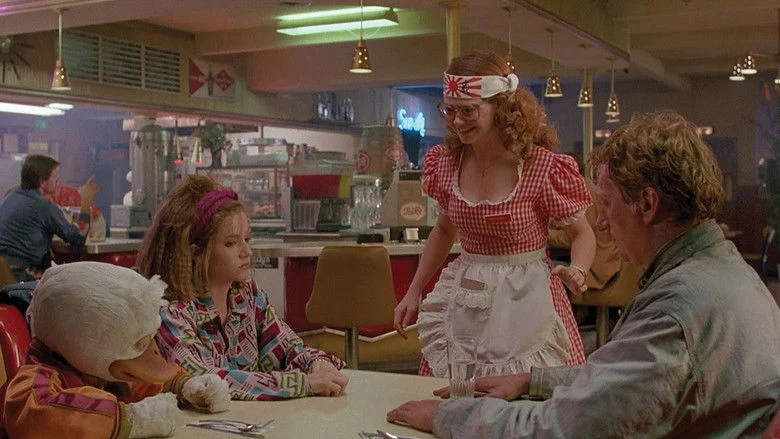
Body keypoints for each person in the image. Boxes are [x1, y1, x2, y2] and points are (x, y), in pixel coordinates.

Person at [387, 111, 780, 437]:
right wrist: (534, 381)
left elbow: (566, 429)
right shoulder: (728, 271)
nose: (602, 223)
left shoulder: (675, 312)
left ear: (647, 205)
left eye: (606, 205)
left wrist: (449, 417)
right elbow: (634, 380)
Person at [393, 51, 595, 377]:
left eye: (469, 110)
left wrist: (579, 269)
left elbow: (582, 232)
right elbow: (444, 232)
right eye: (450, 110)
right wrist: (414, 289)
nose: (457, 121)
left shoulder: (540, 166)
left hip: (527, 295)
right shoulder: (447, 164)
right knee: (459, 387)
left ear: (500, 107)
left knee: (531, 392)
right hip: (468, 296)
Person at [137, 175, 349, 400]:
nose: (246, 252)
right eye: (230, 243)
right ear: (195, 252)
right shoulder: (170, 313)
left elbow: (288, 347)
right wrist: (302, 383)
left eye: (246, 239)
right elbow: (204, 381)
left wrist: (317, 363)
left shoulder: (248, 296)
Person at [3, 261, 231, 439]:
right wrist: (132, 420)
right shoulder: (34, 383)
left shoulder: (93, 370)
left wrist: (186, 387)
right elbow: (41, 416)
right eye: (139, 343)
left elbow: (139, 383)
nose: (153, 351)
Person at [0, 155, 99, 281]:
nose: (58, 180)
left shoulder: (9, 197)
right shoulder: (44, 206)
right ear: (42, 182)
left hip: (4, 273)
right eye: (55, 176)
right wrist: (85, 201)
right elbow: (78, 239)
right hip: (20, 277)